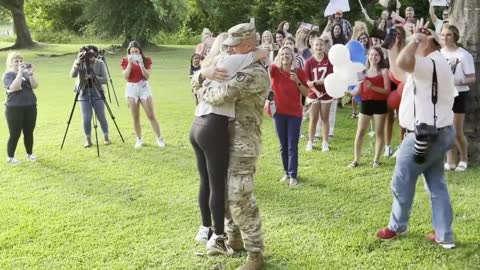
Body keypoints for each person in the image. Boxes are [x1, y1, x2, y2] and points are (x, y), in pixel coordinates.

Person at [193, 22, 269, 269]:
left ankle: (255, 253)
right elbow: (204, 77)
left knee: (240, 194)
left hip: (243, 143)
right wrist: (203, 74)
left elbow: (222, 93)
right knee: (223, 190)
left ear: (248, 44)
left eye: (235, 46)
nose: (230, 50)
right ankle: (233, 237)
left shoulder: (256, 73)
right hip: (221, 138)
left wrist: (203, 82)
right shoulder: (240, 62)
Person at [376, 25, 457, 250]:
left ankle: (397, 226)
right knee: (437, 184)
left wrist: (415, 38)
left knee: (401, 183)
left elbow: (403, 63)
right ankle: (444, 235)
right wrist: (395, 46)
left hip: (423, 136)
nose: (413, 43)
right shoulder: (433, 63)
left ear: (427, 42)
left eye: (418, 41)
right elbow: (399, 71)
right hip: (439, 133)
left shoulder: (429, 63)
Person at [270, 46, 308, 187]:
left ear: (292, 57)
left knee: (292, 145)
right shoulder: (274, 70)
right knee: (283, 145)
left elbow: (306, 93)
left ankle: (293, 175)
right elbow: (264, 65)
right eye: (282, 54)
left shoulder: (299, 72)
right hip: (278, 113)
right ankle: (286, 172)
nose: (285, 56)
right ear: (279, 57)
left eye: (288, 54)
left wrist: (297, 80)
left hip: (294, 114)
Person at [348, 47, 390, 168]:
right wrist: (349, 91)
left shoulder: (384, 71)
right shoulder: (362, 72)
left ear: (380, 57)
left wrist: (372, 87)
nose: (373, 57)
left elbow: (387, 91)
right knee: (360, 132)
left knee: (379, 132)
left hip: (380, 103)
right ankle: (356, 160)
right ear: (368, 56)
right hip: (366, 103)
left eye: (376, 55)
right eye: (371, 55)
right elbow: (359, 91)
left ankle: (376, 160)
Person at [441, 25, 476, 172]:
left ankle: (464, 159)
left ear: (455, 36)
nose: (445, 38)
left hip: (459, 94)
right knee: (446, 128)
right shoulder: (439, 54)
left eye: (448, 35)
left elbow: (472, 78)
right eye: (443, 35)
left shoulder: (463, 55)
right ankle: (450, 160)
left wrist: (458, 81)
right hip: (444, 94)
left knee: (456, 129)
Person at [121, 41, 166, 149]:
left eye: (136, 51)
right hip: (131, 88)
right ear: (129, 52)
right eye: (132, 52)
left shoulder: (146, 60)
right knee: (135, 116)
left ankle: (159, 138)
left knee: (150, 114)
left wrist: (141, 64)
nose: (134, 54)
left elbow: (147, 76)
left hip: (143, 87)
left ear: (140, 51)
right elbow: (126, 77)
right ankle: (139, 139)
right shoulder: (125, 61)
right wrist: (130, 64)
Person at [70, 45, 110, 147]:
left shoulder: (100, 63)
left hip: (97, 92)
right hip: (83, 92)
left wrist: (93, 77)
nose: (89, 57)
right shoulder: (79, 62)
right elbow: (72, 75)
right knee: (86, 117)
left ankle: (106, 137)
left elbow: (105, 80)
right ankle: (88, 140)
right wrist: (78, 62)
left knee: (101, 116)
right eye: (87, 55)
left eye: (92, 54)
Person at [3, 52, 39, 164]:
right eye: (16, 61)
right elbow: (15, 87)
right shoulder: (8, 75)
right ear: (10, 63)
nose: (19, 63)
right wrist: (19, 73)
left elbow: (35, 86)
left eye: (21, 60)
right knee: (15, 133)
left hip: (30, 106)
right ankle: (10, 158)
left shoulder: (26, 74)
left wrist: (31, 74)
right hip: (14, 108)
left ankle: (29, 154)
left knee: (29, 132)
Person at [304, 37, 334, 152]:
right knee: (313, 118)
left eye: (321, 45)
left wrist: (316, 83)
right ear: (312, 47)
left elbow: (329, 78)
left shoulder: (329, 60)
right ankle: (310, 141)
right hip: (313, 93)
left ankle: (325, 142)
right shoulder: (309, 62)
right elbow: (307, 81)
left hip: (326, 92)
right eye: (316, 45)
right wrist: (316, 91)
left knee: (325, 118)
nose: (319, 47)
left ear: (324, 46)